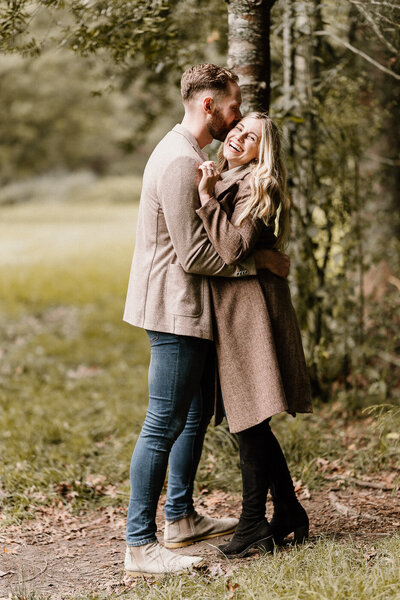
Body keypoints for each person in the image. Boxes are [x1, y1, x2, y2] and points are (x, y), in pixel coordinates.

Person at [123, 66, 290, 576]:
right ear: (209, 105)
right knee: (163, 424)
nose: (236, 117)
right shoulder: (178, 160)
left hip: (192, 308)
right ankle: (140, 544)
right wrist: (256, 263)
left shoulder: (192, 155)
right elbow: (195, 255)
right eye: (233, 107)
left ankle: (180, 518)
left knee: (194, 418)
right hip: (175, 309)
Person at [196, 113, 313, 557]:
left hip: (252, 309)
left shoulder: (256, 185)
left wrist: (206, 198)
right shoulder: (232, 175)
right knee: (251, 420)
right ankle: (286, 510)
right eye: (238, 129)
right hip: (240, 305)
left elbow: (230, 249)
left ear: (263, 151)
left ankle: (252, 524)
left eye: (252, 137)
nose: (239, 137)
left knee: (249, 419)